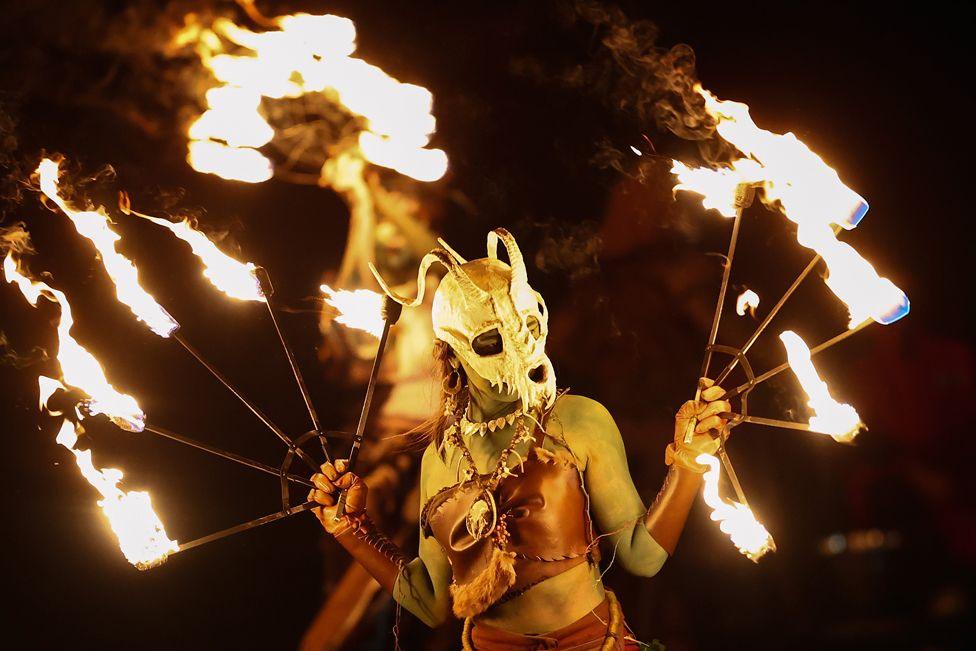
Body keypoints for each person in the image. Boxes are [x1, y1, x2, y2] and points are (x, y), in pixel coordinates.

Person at [310, 229, 729, 649]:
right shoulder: (439, 458)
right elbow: (431, 601)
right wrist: (351, 528)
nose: (520, 350)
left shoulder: (578, 419)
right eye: (491, 340)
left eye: (527, 327)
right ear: (453, 353)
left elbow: (642, 555)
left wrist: (690, 461)